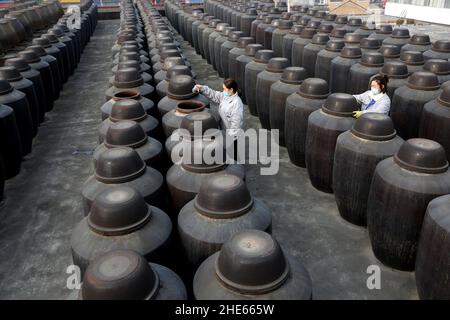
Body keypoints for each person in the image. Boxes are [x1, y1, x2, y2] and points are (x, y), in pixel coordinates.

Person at [193, 79, 244, 161]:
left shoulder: (236, 104)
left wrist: (229, 139)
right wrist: (202, 88)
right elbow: (214, 95)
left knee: (232, 156)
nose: (223, 91)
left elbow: (236, 124)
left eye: (224, 89)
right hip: (224, 131)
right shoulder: (226, 96)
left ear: (231, 90)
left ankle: (235, 169)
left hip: (232, 135)